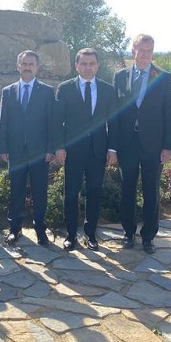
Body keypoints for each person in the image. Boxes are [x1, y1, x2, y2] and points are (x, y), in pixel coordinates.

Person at [113, 34, 171, 253]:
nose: (145, 55)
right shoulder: (120, 76)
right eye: (142, 50)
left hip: (153, 145)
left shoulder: (164, 77)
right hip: (127, 143)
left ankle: (148, 236)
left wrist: (168, 146)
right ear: (133, 51)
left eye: (149, 51)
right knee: (127, 190)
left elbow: (170, 113)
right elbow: (115, 114)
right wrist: (113, 146)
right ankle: (128, 233)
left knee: (151, 192)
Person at [54, 48, 117, 251]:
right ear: (76, 66)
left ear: (97, 66)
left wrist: (113, 149)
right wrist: (59, 147)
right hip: (72, 150)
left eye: (92, 63)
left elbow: (113, 122)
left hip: (98, 150)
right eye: (84, 63)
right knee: (71, 193)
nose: (88, 67)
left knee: (94, 193)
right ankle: (71, 235)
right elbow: (58, 122)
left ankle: (91, 235)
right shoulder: (65, 89)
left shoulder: (108, 90)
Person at [0, 50, 55, 246]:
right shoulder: (8, 91)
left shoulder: (47, 92)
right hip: (15, 151)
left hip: (40, 151)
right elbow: (3, 121)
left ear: (37, 67)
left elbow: (51, 122)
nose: (27, 67)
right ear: (18, 66)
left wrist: (51, 149)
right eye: (24, 63)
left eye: (31, 64)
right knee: (16, 191)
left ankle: (40, 229)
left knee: (40, 192)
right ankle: (15, 229)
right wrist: (3, 147)